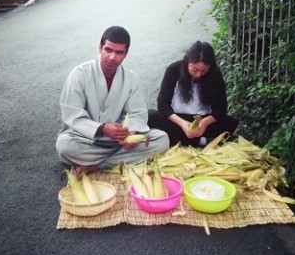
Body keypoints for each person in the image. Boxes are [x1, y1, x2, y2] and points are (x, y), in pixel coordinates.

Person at [56, 26, 169, 173]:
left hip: (119, 142)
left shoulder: (131, 78)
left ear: (126, 54)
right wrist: (102, 128)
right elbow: (72, 115)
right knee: (65, 146)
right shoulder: (79, 74)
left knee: (162, 139)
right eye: (108, 50)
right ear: (100, 48)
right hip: (87, 140)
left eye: (119, 52)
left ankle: (98, 166)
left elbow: (137, 114)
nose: (112, 57)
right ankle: (119, 160)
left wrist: (132, 133)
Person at [148, 41, 238, 147]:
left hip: (202, 120)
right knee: (151, 116)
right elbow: (163, 105)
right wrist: (182, 124)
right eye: (195, 69)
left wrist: (205, 123)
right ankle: (202, 141)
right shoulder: (173, 70)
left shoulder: (215, 75)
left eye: (204, 71)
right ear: (187, 61)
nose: (199, 74)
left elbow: (221, 108)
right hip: (178, 120)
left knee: (231, 122)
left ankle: (184, 140)